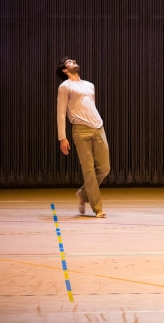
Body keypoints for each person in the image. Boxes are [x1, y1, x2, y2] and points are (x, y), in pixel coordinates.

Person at [56, 58, 110, 218]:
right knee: (89, 171)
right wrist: (62, 137)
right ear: (65, 70)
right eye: (68, 62)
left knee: (105, 168)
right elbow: (61, 112)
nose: (73, 61)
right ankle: (98, 208)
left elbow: (89, 105)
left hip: (98, 127)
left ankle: (83, 193)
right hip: (80, 130)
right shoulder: (65, 86)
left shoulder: (89, 85)